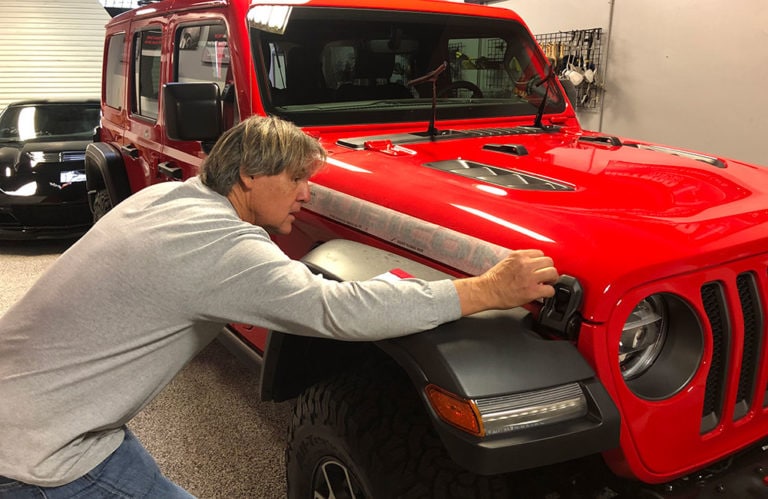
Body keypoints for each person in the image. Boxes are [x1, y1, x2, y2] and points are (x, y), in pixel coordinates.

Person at [0, 115, 558, 497]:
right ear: (249, 175)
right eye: (296, 178)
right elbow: (338, 309)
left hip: (46, 408)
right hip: (39, 454)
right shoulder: (221, 246)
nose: (307, 193)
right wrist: (486, 291)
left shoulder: (168, 197)